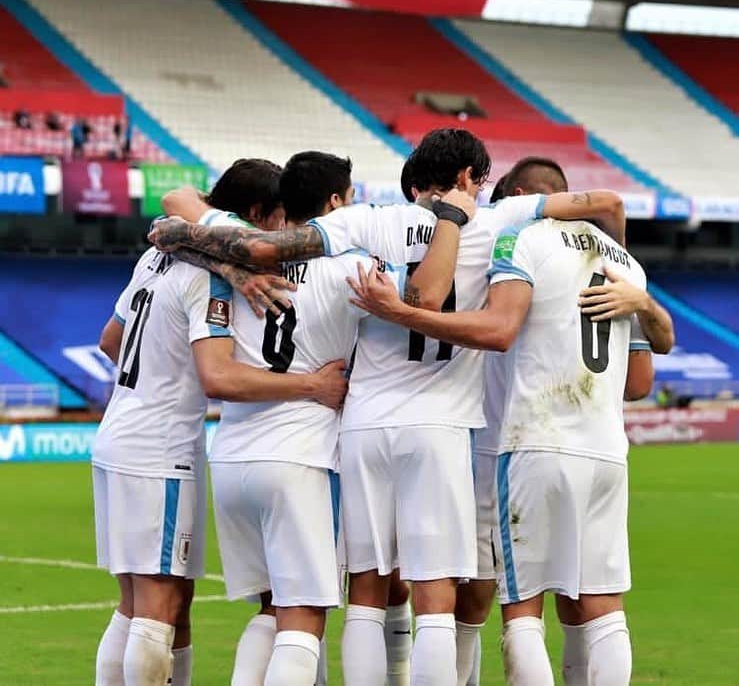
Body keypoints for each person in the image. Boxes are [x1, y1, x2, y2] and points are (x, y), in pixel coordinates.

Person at [150, 128, 632, 686]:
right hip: (442, 427)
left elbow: (260, 246)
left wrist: (190, 239)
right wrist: (623, 270)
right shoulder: (501, 218)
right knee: (433, 597)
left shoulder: (366, 223)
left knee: (367, 591)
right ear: (469, 179)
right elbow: (606, 203)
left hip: (363, 427)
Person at [346, 212, 671, 686]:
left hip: (533, 443)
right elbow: (640, 381)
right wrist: (641, 304)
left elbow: (499, 329)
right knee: (604, 608)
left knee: (521, 607)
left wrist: (403, 312)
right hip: (606, 452)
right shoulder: (626, 263)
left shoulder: (523, 239)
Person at [92, 160, 346, 686]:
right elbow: (217, 377)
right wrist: (311, 386)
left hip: (119, 432)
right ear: (254, 214)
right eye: (274, 219)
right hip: (162, 446)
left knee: (147, 600)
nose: (277, 234)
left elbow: (111, 341)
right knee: (158, 606)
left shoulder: (155, 257)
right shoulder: (210, 274)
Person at [202, 151, 406, 686]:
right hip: (301, 455)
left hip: (231, 454)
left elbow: (176, 215)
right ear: (337, 202)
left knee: (270, 609)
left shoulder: (241, 262)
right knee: (303, 617)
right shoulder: (352, 268)